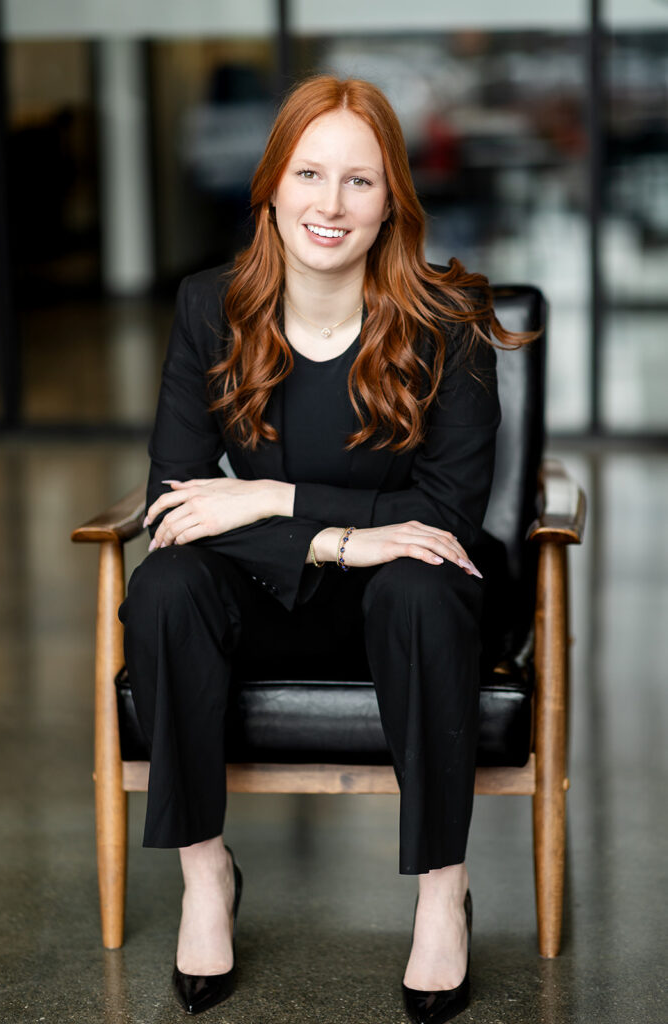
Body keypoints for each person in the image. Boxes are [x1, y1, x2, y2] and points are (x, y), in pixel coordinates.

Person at [119, 75, 531, 1024]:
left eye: (359, 180)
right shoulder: (210, 306)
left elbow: (445, 516)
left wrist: (272, 497)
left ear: (391, 201)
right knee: (169, 583)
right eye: (309, 174)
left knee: (419, 581)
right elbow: (176, 501)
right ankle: (206, 875)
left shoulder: (449, 320)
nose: (330, 204)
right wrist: (343, 536)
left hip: (408, 608)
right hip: (265, 599)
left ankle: (442, 895)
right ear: (271, 185)